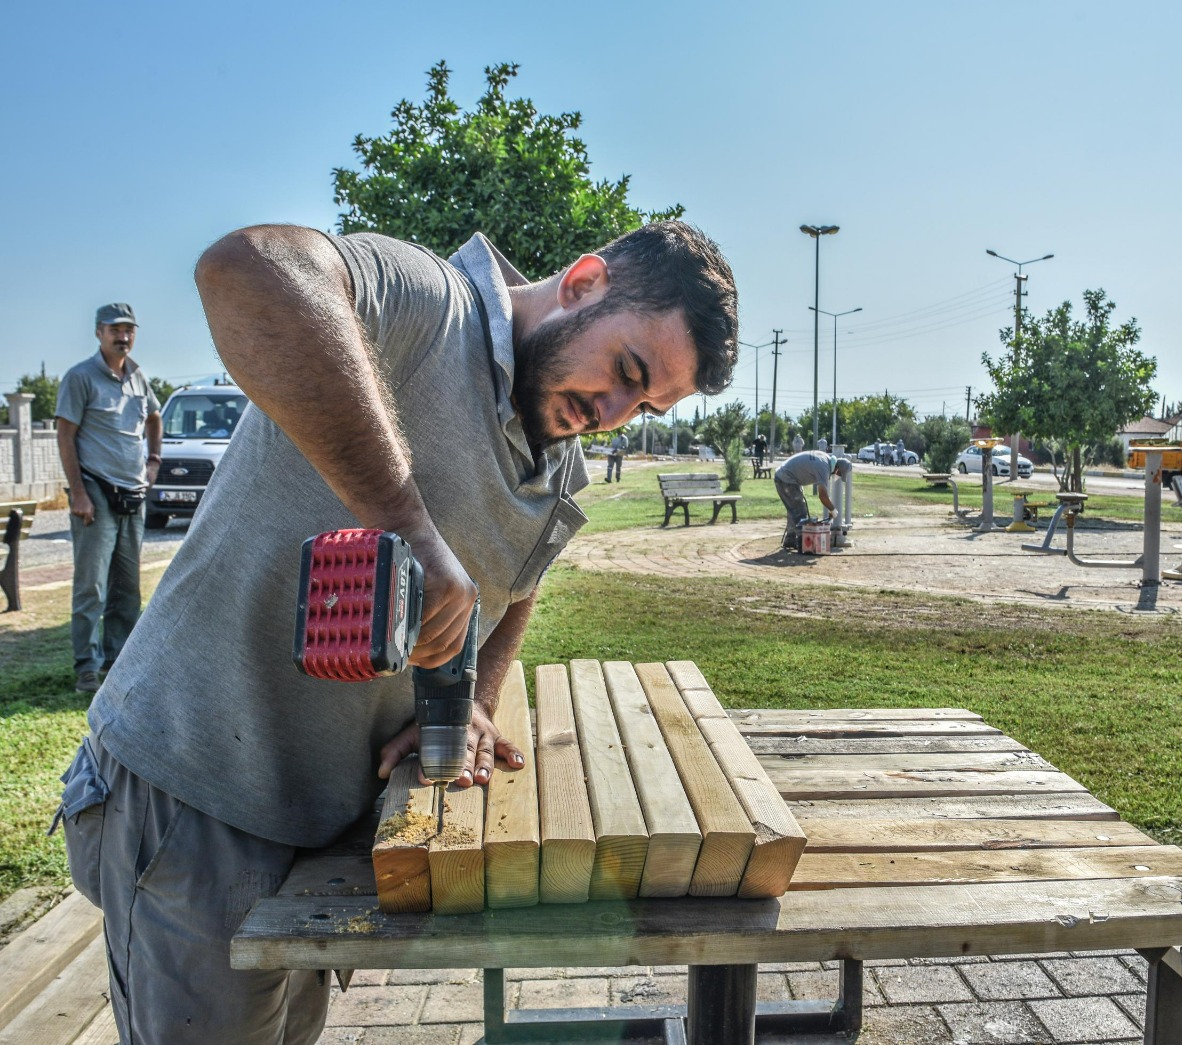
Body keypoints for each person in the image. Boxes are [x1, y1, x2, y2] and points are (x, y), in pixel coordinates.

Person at [55, 220, 738, 1044]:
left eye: (647, 404)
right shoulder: (427, 301)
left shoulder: (558, 454)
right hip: (193, 791)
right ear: (585, 282)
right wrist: (409, 526)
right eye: (628, 371)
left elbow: (517, 582)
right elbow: (243, 270)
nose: (616, 411)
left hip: (322, 822)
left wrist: (475, 700)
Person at [54, 303, 164, 694]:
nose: (124, 336)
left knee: (128, 587)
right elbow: (65, 435)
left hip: (133, 494)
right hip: (95, 493)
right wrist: (79, 494)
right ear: (99, 332)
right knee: (92, 587)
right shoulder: (80, 377)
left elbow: (154, 417)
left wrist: (153, 461)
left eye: (129, 330)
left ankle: (119, 661)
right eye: (115, 329)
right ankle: (87, 666)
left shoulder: (138, 377)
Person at [773, 450, 850, 551]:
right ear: (837, 469)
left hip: (784, 476)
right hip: (786, 479)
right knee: (800, 511)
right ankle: (802, 543)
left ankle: (790, 540)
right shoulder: (824, 468)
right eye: (839, 474)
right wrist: (833, 510)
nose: (836, 476)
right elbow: (822, 496)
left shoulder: (824, 459)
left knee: (794, 509)